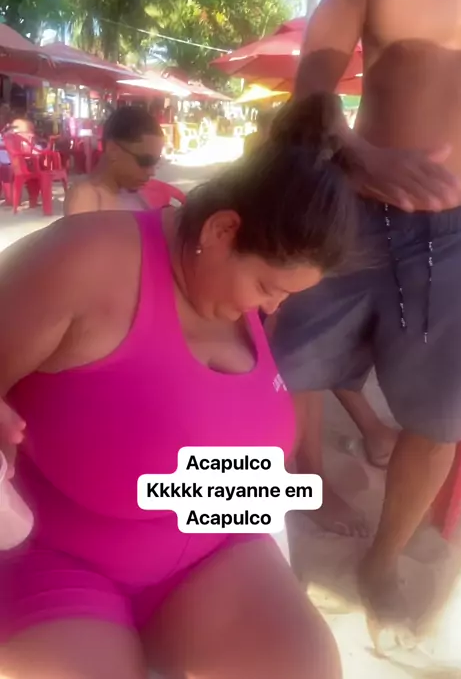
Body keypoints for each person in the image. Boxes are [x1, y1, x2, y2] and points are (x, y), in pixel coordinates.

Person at [0, 94, 349, 679]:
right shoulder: (88, 259)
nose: (273, 307)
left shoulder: (237, 298)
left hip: (215, 548)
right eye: (269, 286)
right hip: (59, 557)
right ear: (222, 230)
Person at [270, 0, 461, 627]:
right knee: (278, 365)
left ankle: (383, 558)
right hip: (349, 207)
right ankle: (305, 484)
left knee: (439, 420)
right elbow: (315, 73)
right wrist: (353, 150)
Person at [64, 105, 164, 215]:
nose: (152, 172)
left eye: (155, 162)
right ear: (113, 151)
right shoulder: (86, 196)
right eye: (145, 161)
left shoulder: (132, 192)